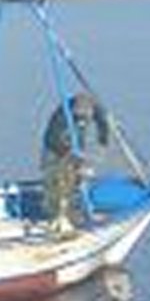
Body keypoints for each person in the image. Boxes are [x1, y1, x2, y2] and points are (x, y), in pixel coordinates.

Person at [40, 90, 108, 232]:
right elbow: (53, 139)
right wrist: (71, 154)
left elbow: (102, 121)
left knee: (76, 181)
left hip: (75, 146)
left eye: (85, 117)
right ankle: (54, 216)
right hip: (54, 149)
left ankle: (74, 214)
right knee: (55, 181)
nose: (81, 119)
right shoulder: (61, 115)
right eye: (78, 116)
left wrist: (103, 139)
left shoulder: (95, 106)